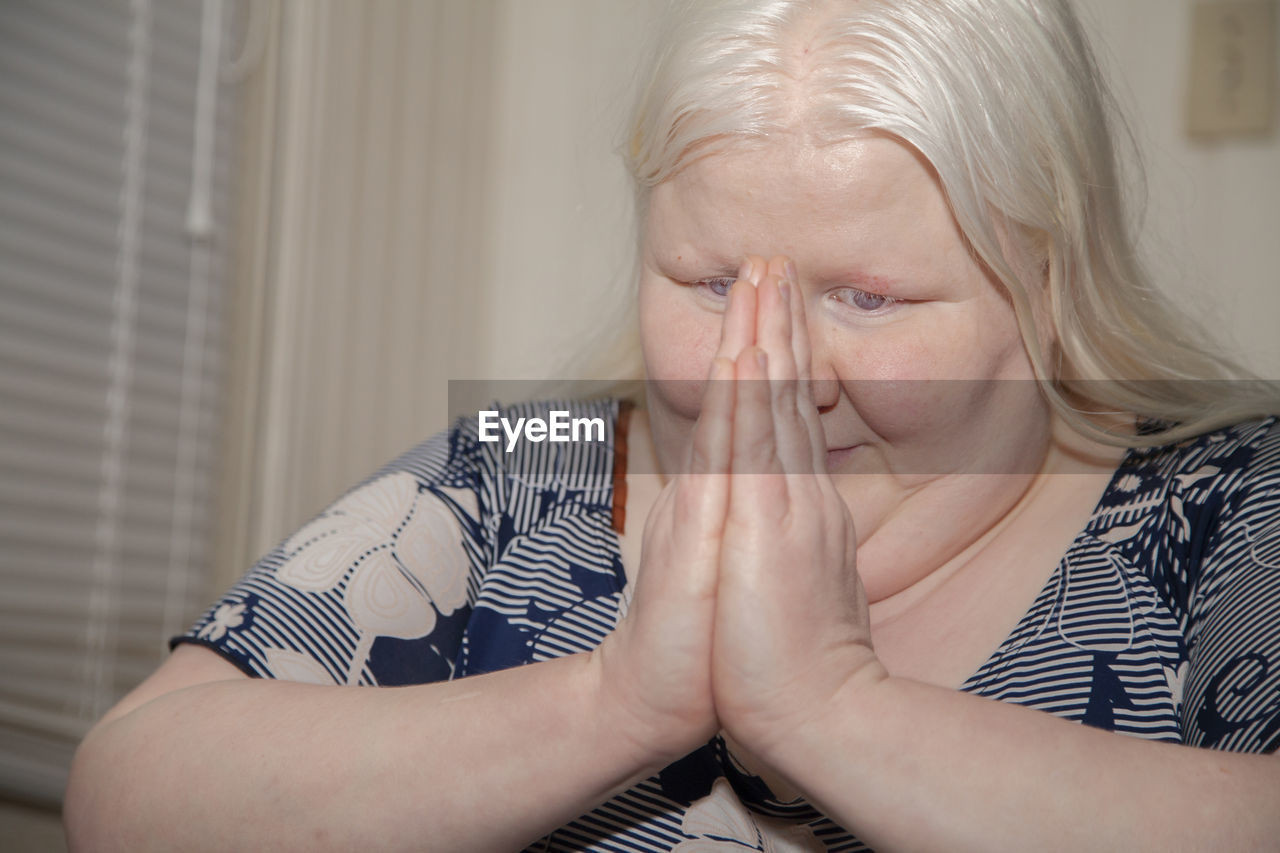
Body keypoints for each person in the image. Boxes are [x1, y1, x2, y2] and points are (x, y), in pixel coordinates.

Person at [65, 0, 1280, 850]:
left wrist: (830, 707)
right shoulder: (543, 460)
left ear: (1050, 288)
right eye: (709, 282)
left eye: (867, 296)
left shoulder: (1223, 497)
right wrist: (620, 702)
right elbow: (129, 794)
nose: (768, 377)